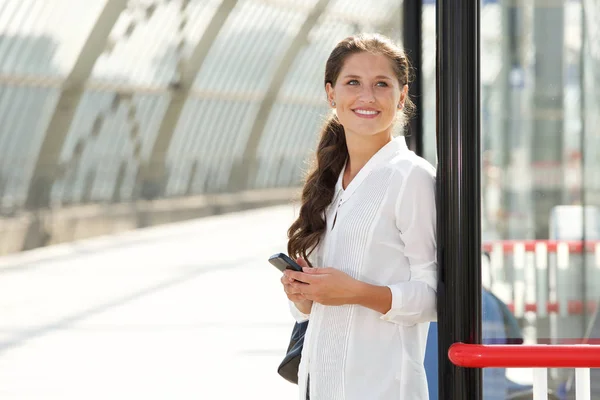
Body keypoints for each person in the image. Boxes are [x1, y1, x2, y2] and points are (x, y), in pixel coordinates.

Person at [280, 33, 438, 400]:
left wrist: (356, 293)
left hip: (383, 388)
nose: (367, 97)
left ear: (401, 97)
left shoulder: (410, 177)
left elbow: (434, 297)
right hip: (318, 385)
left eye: (381, 84)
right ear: (331, 93)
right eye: (353, 83)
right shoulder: (329, 183)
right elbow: (306, 314)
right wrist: (303, 296)